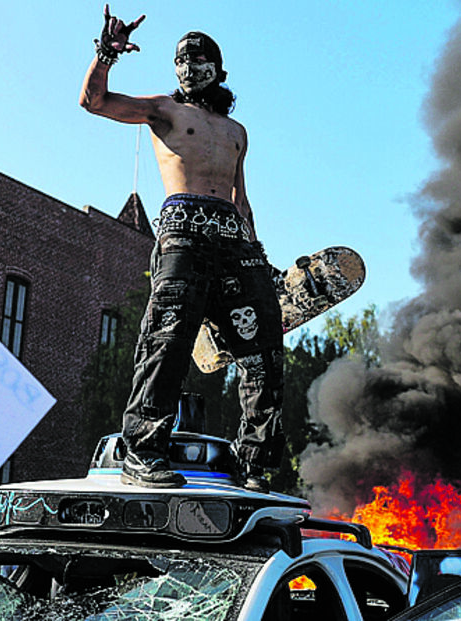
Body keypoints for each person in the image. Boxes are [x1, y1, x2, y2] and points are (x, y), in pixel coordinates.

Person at [80, 6, 285, 492]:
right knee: (167, 341)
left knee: (265, 351)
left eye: (198, 60)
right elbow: (94, 101)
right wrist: (106, 53)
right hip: (183, 232)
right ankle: (144, 453)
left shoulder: (237, 132)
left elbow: (242, 197)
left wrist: (260, 255)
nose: (188, 68)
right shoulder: (164, 110)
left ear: (218, 69)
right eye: (181, 61)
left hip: (235, 239)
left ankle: (255, 465)